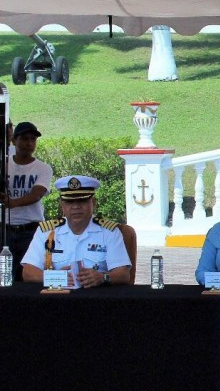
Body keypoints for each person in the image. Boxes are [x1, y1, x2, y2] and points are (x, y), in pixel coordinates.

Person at [21, 175, 132, 287]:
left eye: (82, 201)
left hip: (96, 297)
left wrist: (102, 277)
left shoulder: (109, 232)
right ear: (62, 205)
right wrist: (55, 278)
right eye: (70, 202)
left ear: (93, 202)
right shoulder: (46, 231)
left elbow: (123, 274)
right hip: (57, 297)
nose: (76, 207)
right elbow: (28, 272)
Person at [3, 122, 52, 281]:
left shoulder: (43, 168)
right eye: (24, 139)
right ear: (13, 140)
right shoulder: (3, 165)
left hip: (32, 230)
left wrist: (12, 202)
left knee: (28, 275)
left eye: (33, 139)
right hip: (4, 230)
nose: (29, 143)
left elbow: (37, 194)